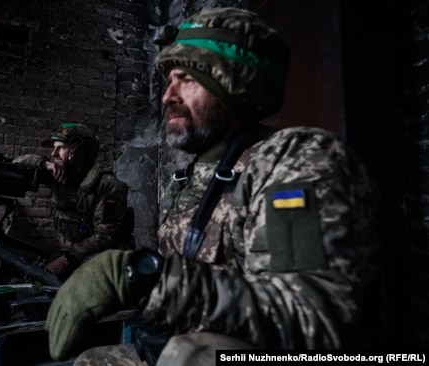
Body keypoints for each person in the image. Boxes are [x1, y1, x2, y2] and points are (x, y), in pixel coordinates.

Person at [44, 7, 382, 365]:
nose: (167, 96)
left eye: (186, 79)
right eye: (168, 80)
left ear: (232, 81)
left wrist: (141, 276)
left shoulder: (294, 162)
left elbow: (316, 319)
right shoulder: (191, 177)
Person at [13, 121, 135, 281]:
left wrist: (68, 259)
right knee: (34, 279)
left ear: (78, 152)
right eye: (53, 148)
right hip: (74, 253)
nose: (53, 153)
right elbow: (16, 163)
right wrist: (44, 164)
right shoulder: (57, 173)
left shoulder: (107, 185)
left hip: (106, 254)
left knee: (84, 285)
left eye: (61, 147)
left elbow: (106, 236)